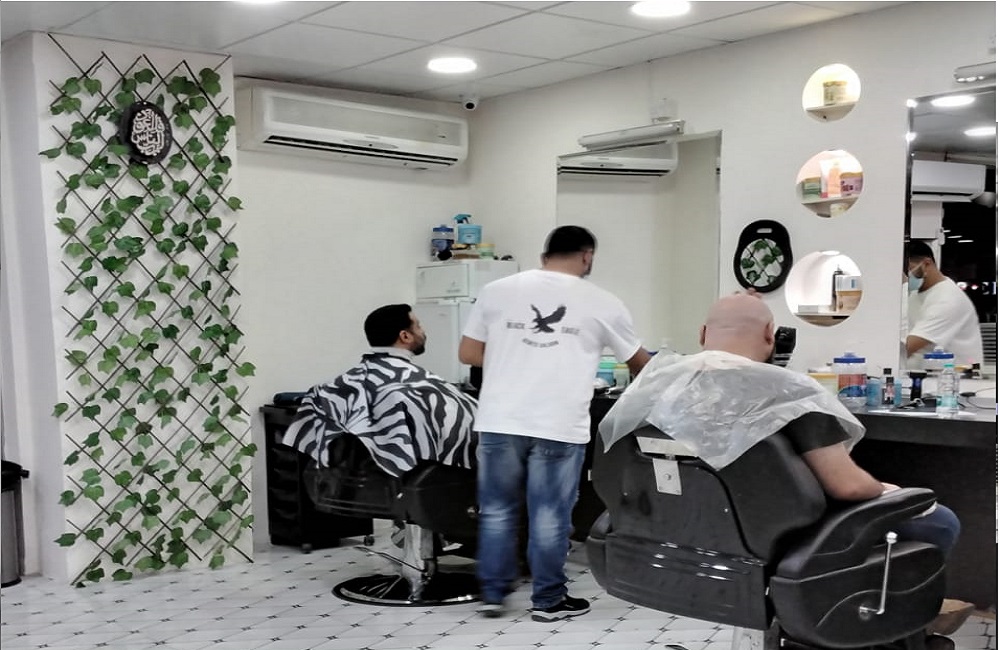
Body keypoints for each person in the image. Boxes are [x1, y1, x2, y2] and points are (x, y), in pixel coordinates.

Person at [600, 293, 966, 650]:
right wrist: (888, 491)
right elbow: (849, 488)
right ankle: (890, 623)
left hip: (687, 544)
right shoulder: (789, 394)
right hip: (783, 545)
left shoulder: (653, 389)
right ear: (769, 335)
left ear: (702, 334)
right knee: (940, 521)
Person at [458, 225, 651, 621]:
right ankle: (548, 601)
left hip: (500, 419)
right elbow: (639, 363)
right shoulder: (603, 301)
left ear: (544, 255)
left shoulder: (496, 290)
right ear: (587, 256)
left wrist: (517, 354)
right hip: (557, 423)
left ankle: (493, 595)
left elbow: (468, 353)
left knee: (497, 509)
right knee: (548, 513)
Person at [283, 303, 477, 478]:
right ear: (405, 336)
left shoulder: (342, 384)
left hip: (349, 484)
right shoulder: (418, 387)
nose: (423, 330)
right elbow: (468, 430)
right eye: (418, 326)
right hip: (421, 480)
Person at [904, 240, 983, 370]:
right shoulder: (915, 295)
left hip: (955, 377)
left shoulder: (948, 299)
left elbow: (908, 347)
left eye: (908, 270)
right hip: (926, 374)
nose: (905, 276)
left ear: (926, 264)